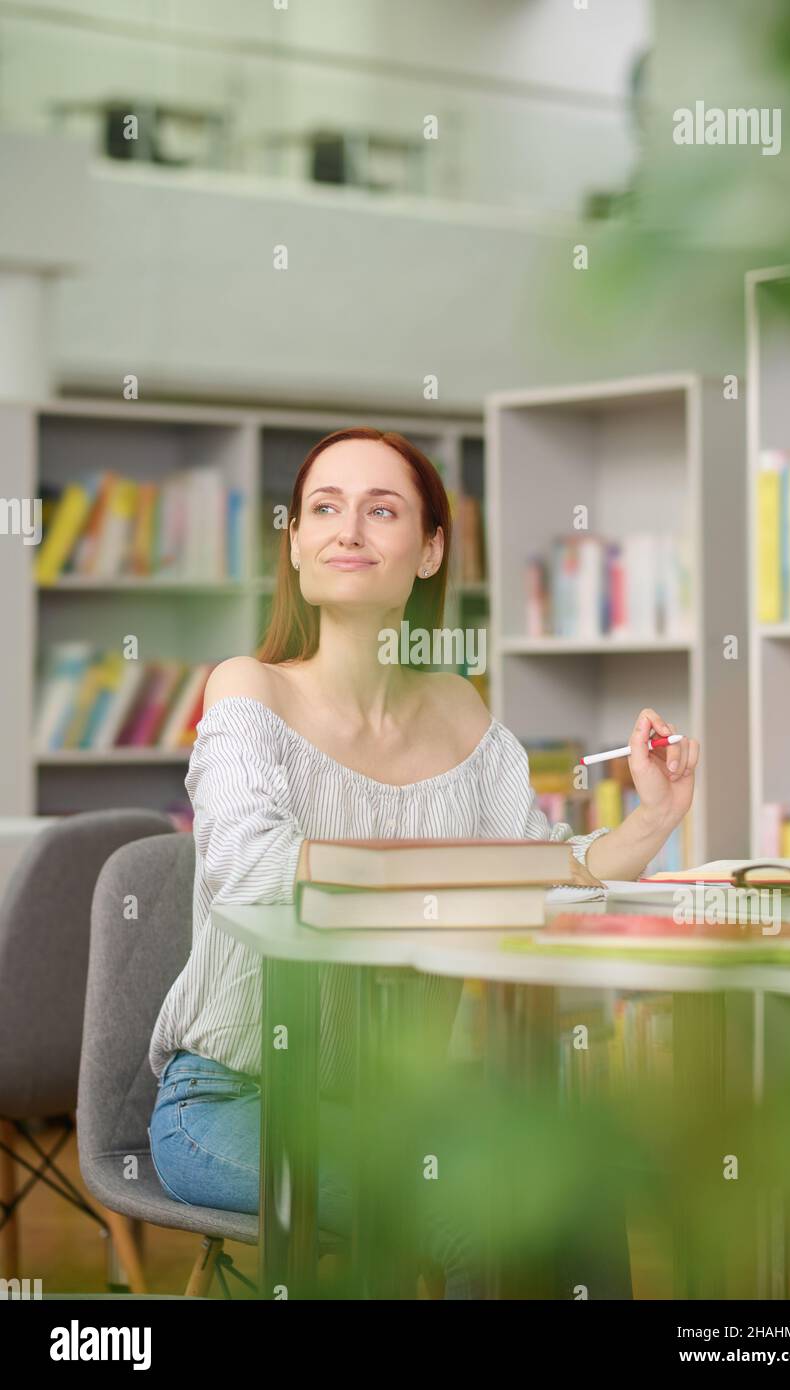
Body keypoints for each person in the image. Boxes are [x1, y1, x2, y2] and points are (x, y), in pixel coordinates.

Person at [147, 425, 699, 1298]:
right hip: (232, 1104)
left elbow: (543, 870)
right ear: (294, 544)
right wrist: (449, 876)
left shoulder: (459, 710)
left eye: (382, 510)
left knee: (578, 1183)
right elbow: (251, 872)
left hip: (397, 1108)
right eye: (323, 508)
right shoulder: (249, 687)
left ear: (433, 549)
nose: (346, 530)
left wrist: (651, 816)